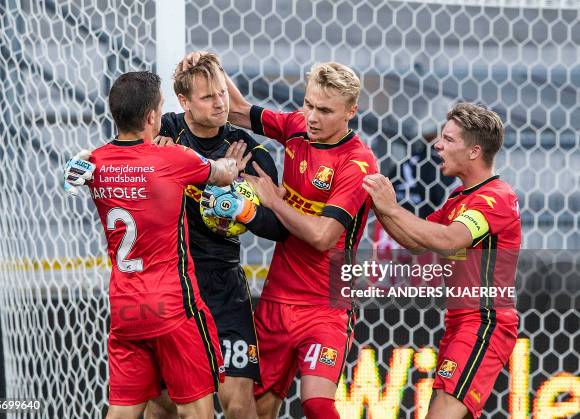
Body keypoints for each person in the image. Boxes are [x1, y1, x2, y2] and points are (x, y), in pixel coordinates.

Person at [65, 55, 286, 419]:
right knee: (165, 407)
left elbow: (278, 229)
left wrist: (243, 209)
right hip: (178, 289)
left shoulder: (249, 149)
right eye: (207, 97)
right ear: (182, 102)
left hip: (224, 284)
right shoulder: (162, 132)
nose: (220, 103)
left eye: (222, 94)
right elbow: (127, 150)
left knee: (238, 404)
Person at [186, 52, 378, 419]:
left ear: (350, 111)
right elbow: (239, 110)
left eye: (325, 110)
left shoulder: (357, 163)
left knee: (317, 404)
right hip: (278, 297)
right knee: (253, 407)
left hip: (325, 306)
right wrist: (213, 67)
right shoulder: (295, 127)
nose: (312, 118)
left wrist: (273, 201)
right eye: (308, 105)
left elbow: (323, 236)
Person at [363, 102, 520, 419]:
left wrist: (391, 208)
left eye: (448, 139)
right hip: (460, 324)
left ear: (474, 152)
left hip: (485, 324)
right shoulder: (457, 201)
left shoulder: (496, 198)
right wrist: (377, 204)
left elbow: (450, 242)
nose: (437, 145)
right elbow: (416, 242)